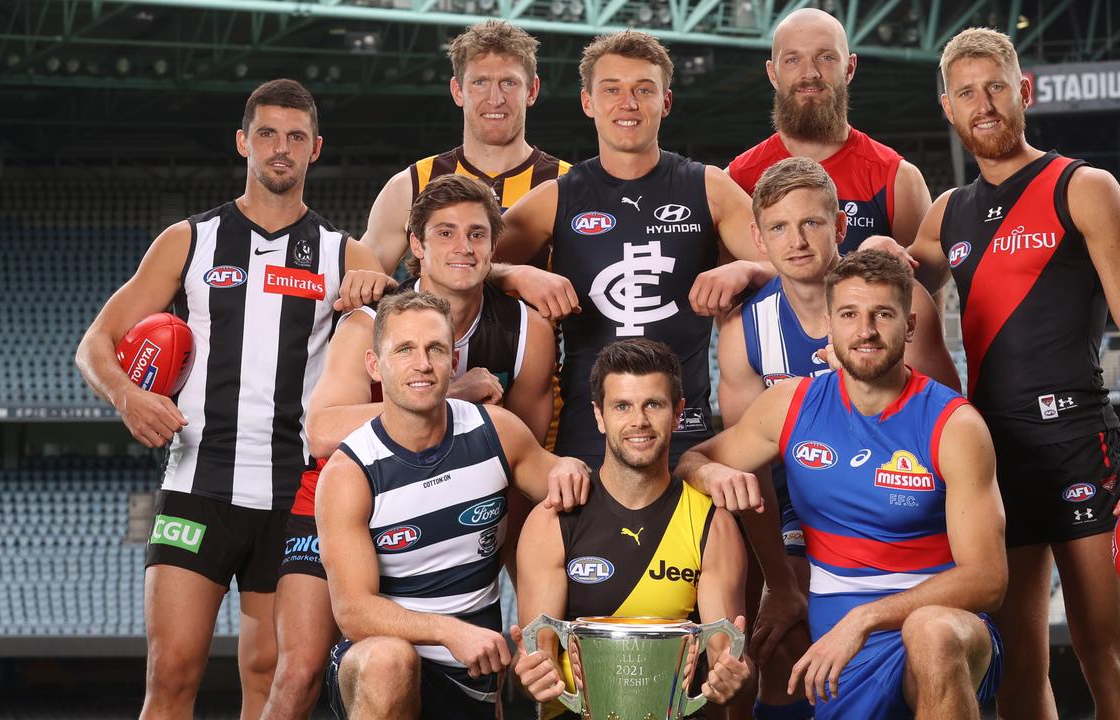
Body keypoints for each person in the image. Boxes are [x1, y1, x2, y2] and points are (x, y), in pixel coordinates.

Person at [863, 27, 1120, 718]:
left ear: (1023, 91)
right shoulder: (946, 211)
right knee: (1017, 666)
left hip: (1079, 436)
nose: (982, 103)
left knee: (1106, 657)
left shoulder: (1082, 188)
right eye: (966, 93)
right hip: (992, 453)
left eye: (995, 86)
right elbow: (894, 271)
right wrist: (877, 245)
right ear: (947, 110)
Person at [75, 79, 387, 719]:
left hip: (295, 493)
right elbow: (95, 343)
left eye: (296, 137)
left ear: (315, 149)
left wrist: (382, 289)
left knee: (272, 679)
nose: (281, 148)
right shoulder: (188, 241)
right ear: (243, 141)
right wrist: (129, 397)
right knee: (170, 675)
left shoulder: (344, 254)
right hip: (200, 481)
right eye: (268, 134)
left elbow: (409, 336)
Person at [263, 174, 557, 718]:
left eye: (476, 236)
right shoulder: (371, 318)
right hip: (345, 491)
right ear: (416, 245)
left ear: (494, 249)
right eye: (444, 233)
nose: (461, 248)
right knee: (299, 671)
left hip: (450, 493)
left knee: (482, 670)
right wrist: (445, 394)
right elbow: (323, 429)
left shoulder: (525, 330)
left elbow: (523, 470)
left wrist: (530, 609)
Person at [677, 250, 1007, 719]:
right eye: (850, 315)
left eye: (883, 315)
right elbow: (691, 459)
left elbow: (988, 579)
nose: (866, 330)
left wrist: (866, 618)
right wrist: (711, 472)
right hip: (837, 641)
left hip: (943, 625)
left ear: (909, 327)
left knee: (930, 633)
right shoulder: (792, 404)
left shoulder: (953, 424)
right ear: (829, 325)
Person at [489, 30, 774, 469]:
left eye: (644, 89)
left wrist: (746, 271)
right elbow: (461, 266)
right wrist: (516, 274)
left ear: (666, 102)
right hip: (587, 436)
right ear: (588, 102)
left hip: (685, 435)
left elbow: (796, 267)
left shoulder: (708, 187)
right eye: (611, 90)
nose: (629, 103)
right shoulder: (557, 197)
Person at [315, 290, 589, 720]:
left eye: (435, 349)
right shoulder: (350, 472)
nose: (422, 364)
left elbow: (564, 481)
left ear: (453, 360)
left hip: (474, 669)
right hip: (384, 662)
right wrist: (449, 632)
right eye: (404, 350)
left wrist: (571, 465)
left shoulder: (495, 431)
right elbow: (352, 610)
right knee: (389, 662)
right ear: (375, 365)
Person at [510, 339, 752, 720]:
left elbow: (726, 658)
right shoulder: (554, 519)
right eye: (622, 406)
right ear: (599, 416)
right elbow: (536, 653)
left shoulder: (711, 524)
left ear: (677, 414)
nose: (638, 420)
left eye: (653, 404)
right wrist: (531, 676)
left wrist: (734, 679)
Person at [726, 8, 959, 391]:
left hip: (875, 389)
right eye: (793, 59)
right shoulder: (737, 179)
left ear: (849, 68)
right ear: (773, 73)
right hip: (776, 392)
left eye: (825, 57)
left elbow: (924, 303)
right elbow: (731, 307)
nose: (810, 73)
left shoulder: (896, 177)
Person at [717, 156, 844, 718]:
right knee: (782, 643)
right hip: (797, 512)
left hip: (888, 500)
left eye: (812, 223)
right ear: (758, 239)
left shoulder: (888, 303)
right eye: (779, 227)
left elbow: (943, 421)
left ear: (840, 227)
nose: (796, 240)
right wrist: (779, 580)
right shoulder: (746, 330)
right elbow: (749, 468)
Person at [361, 19, 571, 274]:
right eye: (480, 82)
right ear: (458, 91)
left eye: (509, 83)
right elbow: (361, 288)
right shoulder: (411, 184)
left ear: (532, 90)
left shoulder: (569, 185)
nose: (495, 99)